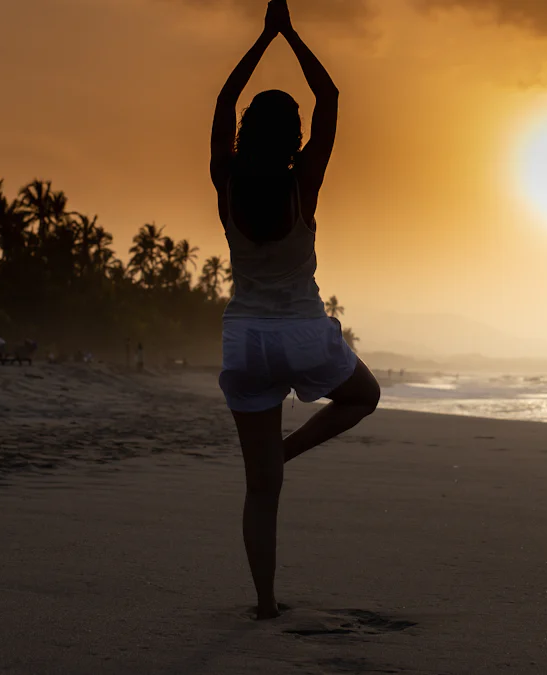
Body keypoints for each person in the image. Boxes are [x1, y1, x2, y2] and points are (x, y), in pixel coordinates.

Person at [211, 0, 380, 620]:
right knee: (364, 396)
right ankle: (288, 449)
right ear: (293, 138)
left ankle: (264, 603)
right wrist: (290, 33)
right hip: (304, 333)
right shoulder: (302, 181)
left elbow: (225, 103)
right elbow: (330, 97)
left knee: (261, 491)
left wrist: (260, 42)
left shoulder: (225, 180)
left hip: (247, 339)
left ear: (247, 133)